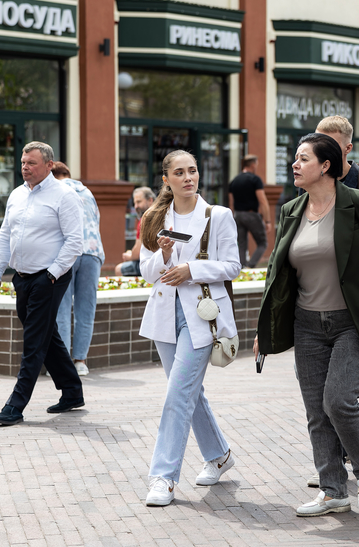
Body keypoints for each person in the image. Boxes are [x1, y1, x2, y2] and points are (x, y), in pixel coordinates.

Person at [254, 133, 359, 517]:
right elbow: (277, 272)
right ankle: (332, 490)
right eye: (295, 158)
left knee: (338, 400)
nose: (294, 164)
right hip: (306, 324)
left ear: (325, 166)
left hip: (351, 321)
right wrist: (264, 328)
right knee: (316, 411)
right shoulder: (292, 209)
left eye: (303, 158)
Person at [138, 149, 241, 507]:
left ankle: (163, 477)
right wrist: (165, 256)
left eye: (193, 171)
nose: (188, 178)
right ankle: (219, 455)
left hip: (201, 316)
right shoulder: (154, 217)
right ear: (166, 179)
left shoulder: (218, 216)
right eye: (179, 172)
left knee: (177, 395)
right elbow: (146, 272)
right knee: (187, 392)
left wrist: (191, 270)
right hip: (165, 316)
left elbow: (232, 266)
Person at [302, 114, 359, 489]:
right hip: (313, 311)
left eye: (331, 145)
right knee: (322, 399)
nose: (320, 150)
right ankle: (332, 473)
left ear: (347, 148)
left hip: (353, 308)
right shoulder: (306, 184)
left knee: (336, 397)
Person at [0, 142, 84, 426]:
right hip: (22, 278)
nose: (25, 167)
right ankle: (72, 391)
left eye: (31, 163)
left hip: (50, 278)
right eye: (23, 162)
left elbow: (74, 241)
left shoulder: (64, 195)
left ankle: (15, 406)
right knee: (45, 335)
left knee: (34, 341)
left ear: (49, 165)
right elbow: (5, 235)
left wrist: (52, 274)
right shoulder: (17, 194)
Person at [52, 162, 105, 376]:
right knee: (86, 310)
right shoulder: (87, 192)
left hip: (67, 253)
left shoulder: (55, 190)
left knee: (62, 309)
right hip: (92, 252)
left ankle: (63, 364)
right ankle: (81, 361)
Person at [228, 155, 271, 268]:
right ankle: (250, 266)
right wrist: (267, 221)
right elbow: (263, 201)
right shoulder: (255, 180)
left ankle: (241, 268)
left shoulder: (234, 181)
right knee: (262, 243)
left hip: (238, 215)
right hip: (251, 215)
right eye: (256, 164)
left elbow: (231, 203)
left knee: (241, 244)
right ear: (252, 165)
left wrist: (232, 219)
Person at [115, 187, 155, 277]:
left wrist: (129, 256)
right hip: (159, 262)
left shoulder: (145, 219)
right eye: (135, 203)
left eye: (139, 202)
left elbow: (137, 252)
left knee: (118, 269)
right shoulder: (160, 214)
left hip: (150, 264)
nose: (136, 206)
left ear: (150, 200)